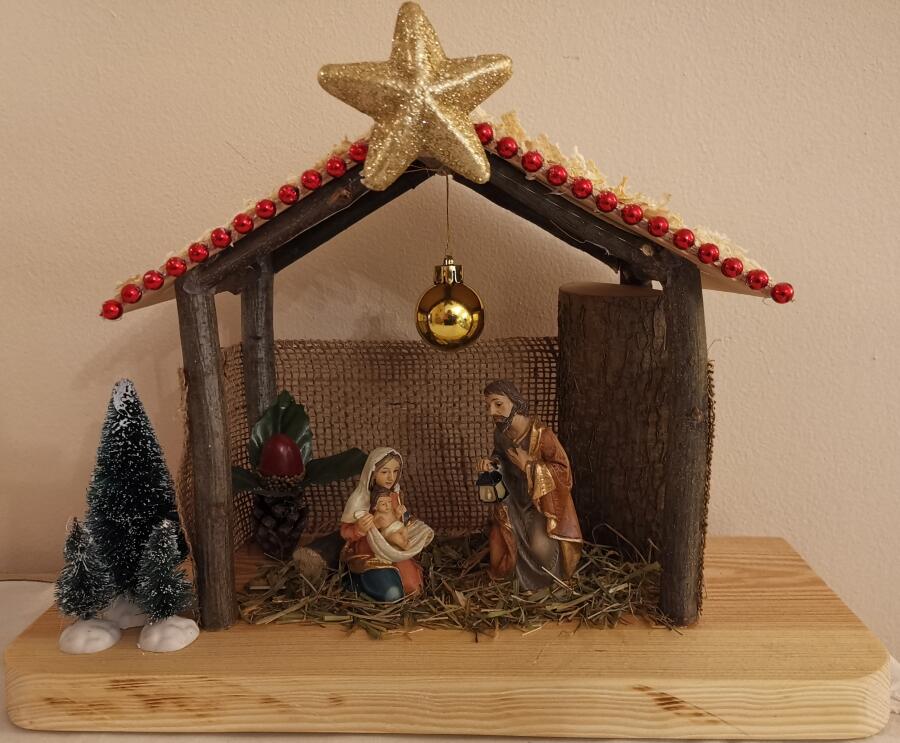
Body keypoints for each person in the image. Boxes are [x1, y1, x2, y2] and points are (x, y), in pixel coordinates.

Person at [478, 380, 583, 590]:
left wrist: (530, 466)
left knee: (540, 549)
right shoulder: (501, 434)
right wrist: (491, 465)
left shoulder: (542, 436)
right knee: (500, 539)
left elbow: (564, 472)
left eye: (498, 404)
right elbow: (500, 458)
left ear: (515, 403)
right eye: (488, 406)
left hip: (540, 504)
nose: (492, 412)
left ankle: (549, 584)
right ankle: (509, 581)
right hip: (513, 499)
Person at [339, 447, 434, 601]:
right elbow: (345, 531)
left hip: (394, 551)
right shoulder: (359, 500)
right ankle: (354, 584)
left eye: (395, 471)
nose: (391, 477)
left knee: (414, 589)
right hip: (370, 554)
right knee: (392, 594)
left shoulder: (395, 494)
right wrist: (359, 529)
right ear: (372, 472)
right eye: (384, 472)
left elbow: (401, 519)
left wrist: (410, 522)